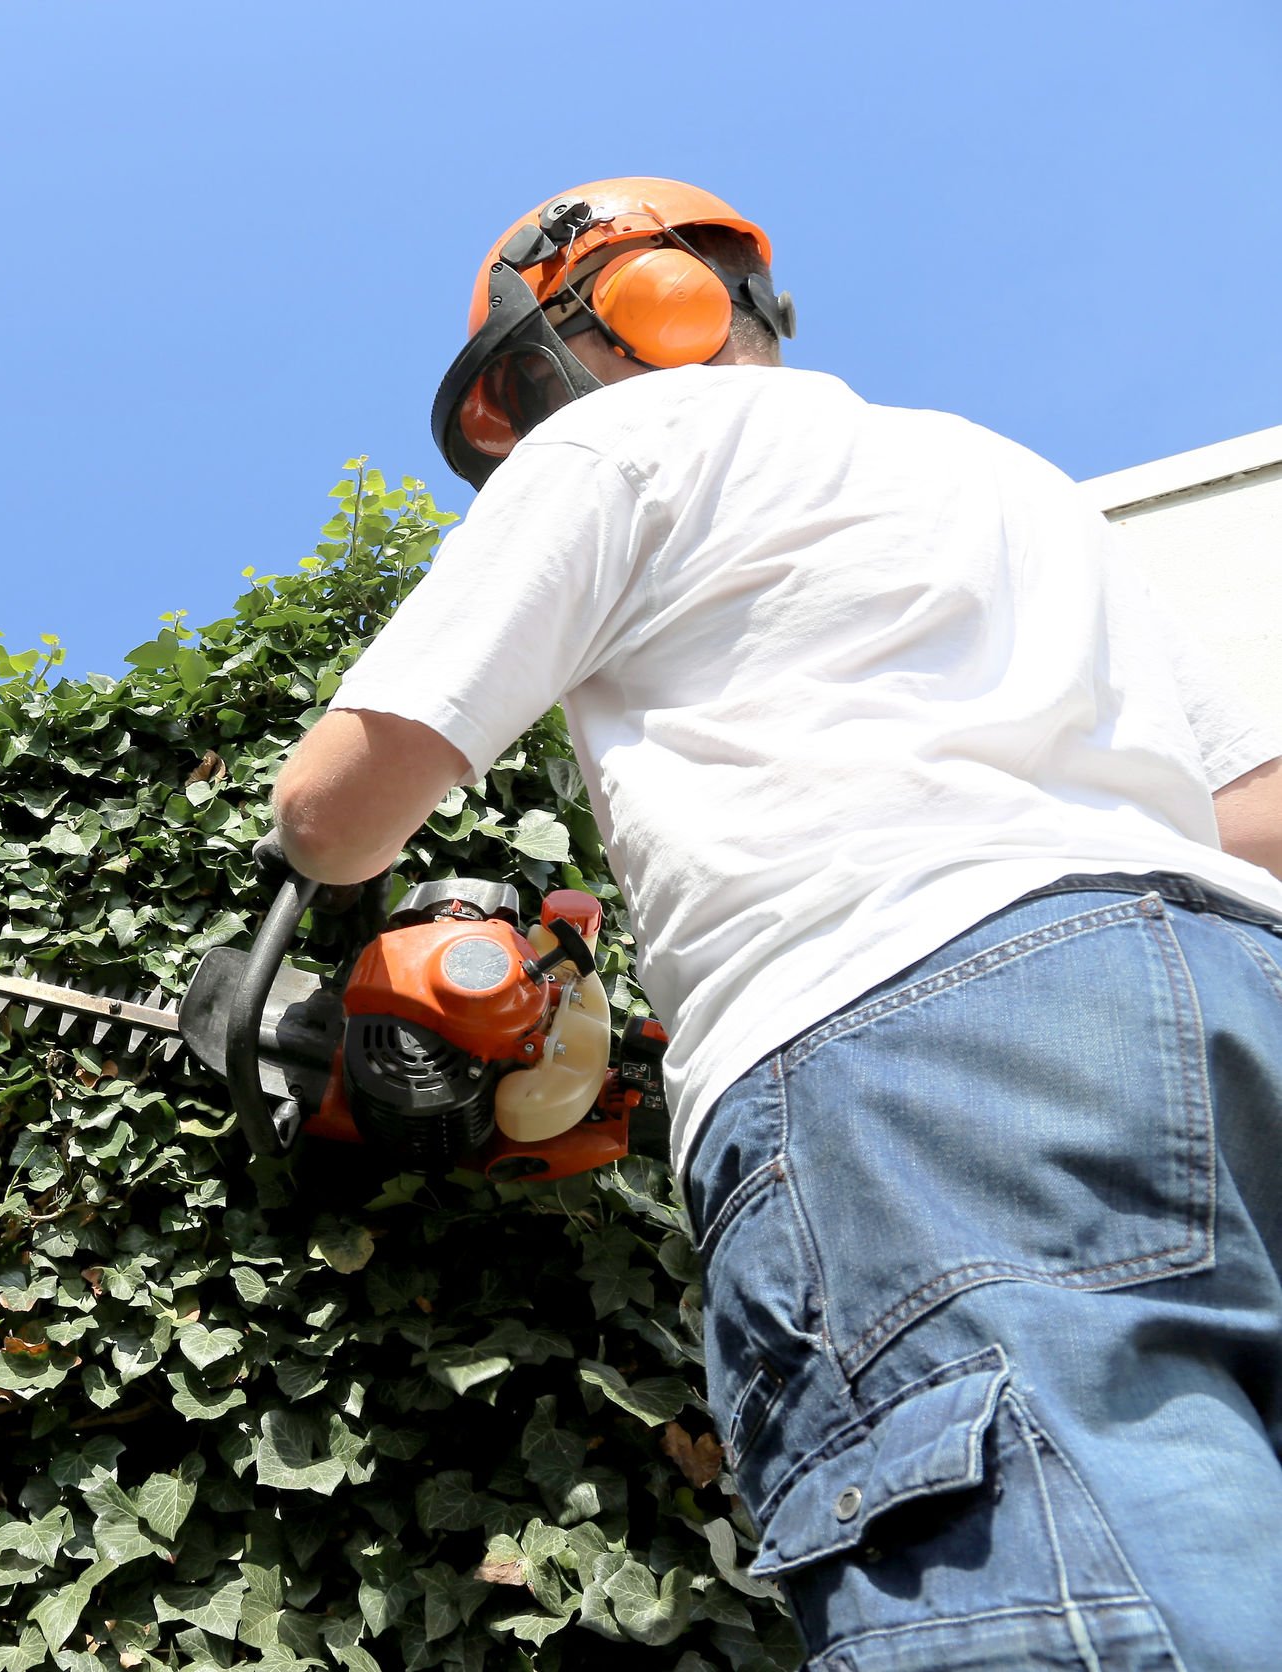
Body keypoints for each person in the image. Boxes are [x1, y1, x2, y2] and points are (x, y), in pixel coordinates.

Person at [270, 176, 1282, 1669]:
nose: (534, 426)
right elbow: (1251, 810)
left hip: (918, 1060)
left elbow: (336, 811)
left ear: (620, 314)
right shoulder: (996, 472)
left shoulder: (627, 439)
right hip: (1229, 989)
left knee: (1064, 1580)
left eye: (532, 384)